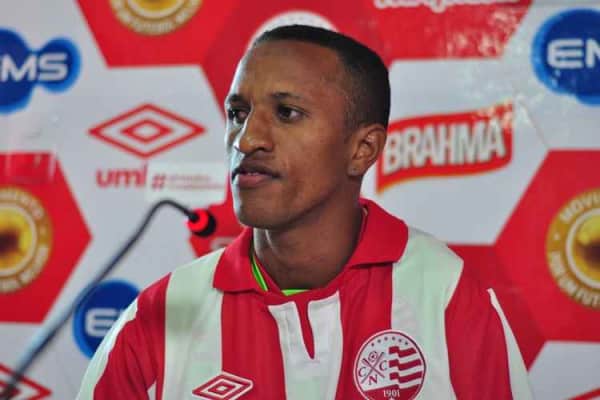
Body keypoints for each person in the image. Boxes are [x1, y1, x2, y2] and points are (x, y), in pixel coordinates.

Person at [77, 25, 532, 400]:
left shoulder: (447, 295)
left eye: (287, 113)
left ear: (363, 149)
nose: (246, 139)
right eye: (237, 113)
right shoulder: (157, 318)